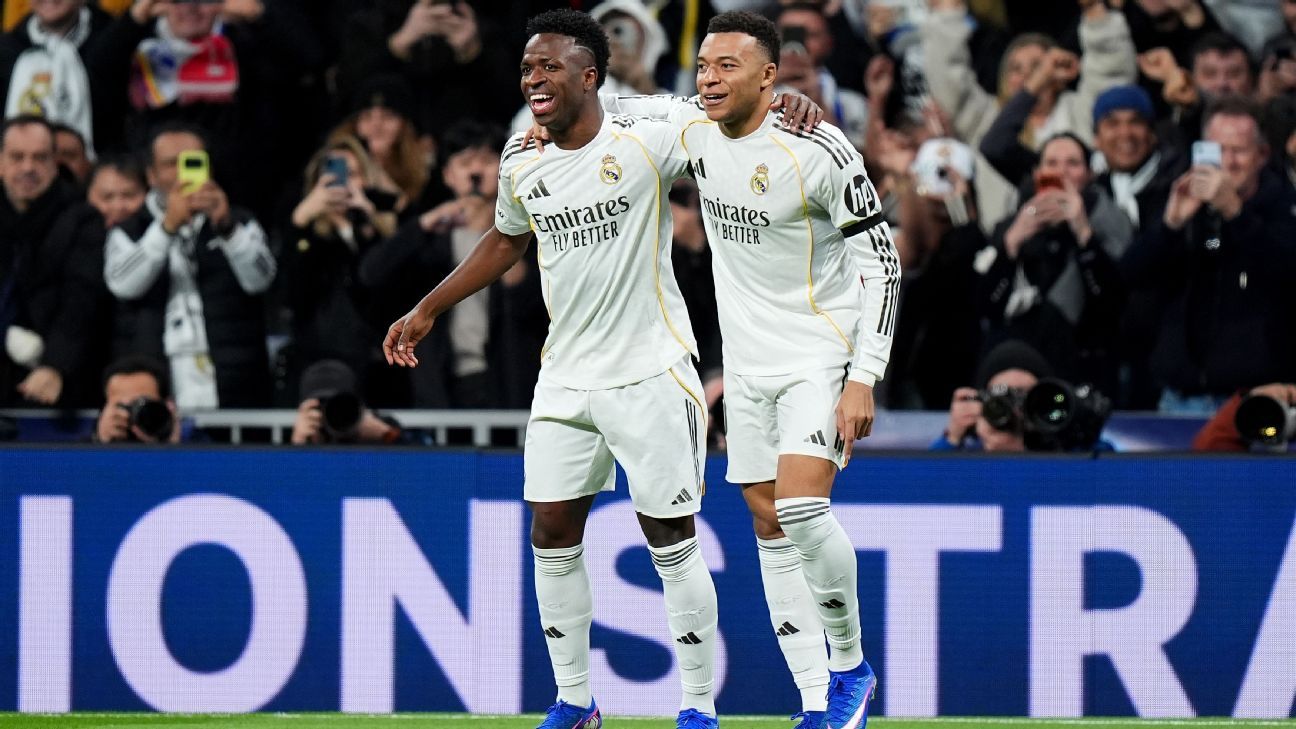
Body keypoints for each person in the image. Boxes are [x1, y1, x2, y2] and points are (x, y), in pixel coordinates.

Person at [384, 10, 720, 728]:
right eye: (527, 69)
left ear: (589, 76)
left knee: (670, 538)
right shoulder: (522, 159)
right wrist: (428, 307)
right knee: (550, 533)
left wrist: (786, 102)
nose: (534, 79)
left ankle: (698, 706)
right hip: (564, 376)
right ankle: (575, 700)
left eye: (550, 67)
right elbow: (507, 239)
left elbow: (722, 115)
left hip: (650, 369)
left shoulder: (645, 137)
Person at [595, 11, 897, 728]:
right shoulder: (693, 126)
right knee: (767, 521)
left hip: (820, 353)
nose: (709, 78)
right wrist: (545, 127)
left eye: (727, 65)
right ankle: (817, 702)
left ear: (769, 75)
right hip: (747, 366)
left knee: (800, 508)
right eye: (704, 65)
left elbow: (882, 264)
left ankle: (851, 667)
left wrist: (865, 375)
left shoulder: (819, 146)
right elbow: (611, 106)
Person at [1125, 96, 1296, 413]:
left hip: (1256, 399)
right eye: (1218, 150)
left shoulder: (1284, 205)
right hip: (1178, 397)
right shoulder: (1175, 195)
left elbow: (1285, 273)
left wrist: (1236, 214)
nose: (1227, 162)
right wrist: (1170, 226)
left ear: (1262, 155)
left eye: (1239, 150)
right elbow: (1132, 277)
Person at [104, 122, 276, 410]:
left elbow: (261, 280)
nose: (182, 173)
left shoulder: (239, 221)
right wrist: (166, 228)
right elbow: (123, 285)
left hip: (235, 378)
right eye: (171, 164)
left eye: (191, 161)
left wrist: (228, 231)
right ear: (151, 175)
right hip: (158, 376)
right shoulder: (128, 230)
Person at [279, 135, 403, 408]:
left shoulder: (382, 237)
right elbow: (291, 294)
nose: (343, 184)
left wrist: (369, 222)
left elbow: (387, 293)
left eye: (352, 174)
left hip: (376, 375)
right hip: (316, 371)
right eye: (333, 175)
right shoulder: (306, 238)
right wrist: (299, 222)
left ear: (366, 181)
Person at [0, 114, 98, 408]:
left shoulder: (82, 218)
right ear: (1, 161)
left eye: (40, 158)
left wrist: (55, 365)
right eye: (17, 157)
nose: (28, 167)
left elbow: (81, 300)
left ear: (55, 163)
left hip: (58, 381)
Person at [932, 338, 1052, 452]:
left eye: (1024, 396)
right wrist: (952, 439)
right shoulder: (967, 452)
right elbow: (931, 466)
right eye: (1004, 397)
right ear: (982, 401)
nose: (1014, 409)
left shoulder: (1058, 450)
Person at [289, 358, 411, 445]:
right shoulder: (298, 435)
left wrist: (386, 435)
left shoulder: (372, 427)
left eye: (339, 407)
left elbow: (417, 462)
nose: (330, 414)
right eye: (321, 405)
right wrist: (297, 445)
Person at [93, 353, 190, 443]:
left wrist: (170, 446)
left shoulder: (193, 445)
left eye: (143, 405)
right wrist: (101, 443)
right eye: (124, 407)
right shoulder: (85, 448)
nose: (134, 415)